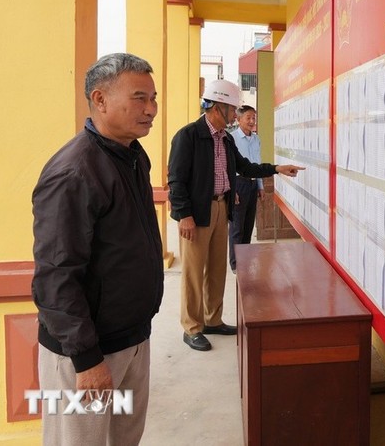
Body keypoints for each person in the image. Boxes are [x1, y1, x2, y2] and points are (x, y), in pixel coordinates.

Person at [31, 53, 163, 446]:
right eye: (140, 98)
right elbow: (56, 276)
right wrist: (87, 361)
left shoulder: (133, 156)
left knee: (125, 438)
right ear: (100, 99)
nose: (151, 109)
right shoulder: (74, 172)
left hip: (132, 339)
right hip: (88, 353)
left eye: (153, 98)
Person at [168, 80, 304, 351]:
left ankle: (212, 319)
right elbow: (176, 180)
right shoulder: (188, 136)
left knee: (218, 267)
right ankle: (192, 327)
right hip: (196, 212)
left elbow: (246, 167)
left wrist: (277, 168)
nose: (234, 115)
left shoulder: (226, 139)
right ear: (217, 108)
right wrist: (184, 215)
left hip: (221, 208)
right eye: (232, 110)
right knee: (194, 272)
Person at [228, 105, 263, 272]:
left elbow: (258, 162)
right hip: (238, 184)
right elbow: (229, 166)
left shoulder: (256, 139)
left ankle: (245, 258)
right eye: (248, 118)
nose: (251, 121)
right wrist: (232, 189)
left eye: (254, 118)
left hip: (252, 184)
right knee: (237, 227)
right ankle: (235, 264)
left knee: (249, 225)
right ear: (238, 119)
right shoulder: (231, 139)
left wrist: (260, 185)